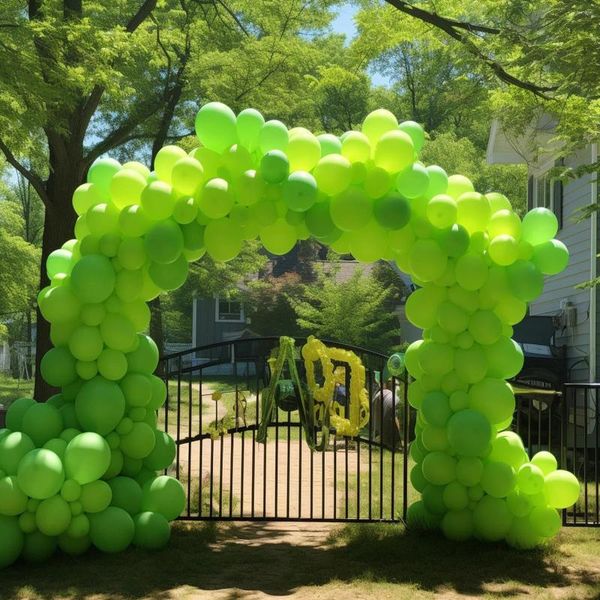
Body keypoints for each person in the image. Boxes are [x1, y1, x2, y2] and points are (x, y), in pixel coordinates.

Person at [370, 378, 401, 450]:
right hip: (386, 427)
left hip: (377, 426)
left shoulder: (378, 394)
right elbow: (395, 418)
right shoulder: (393, 397)